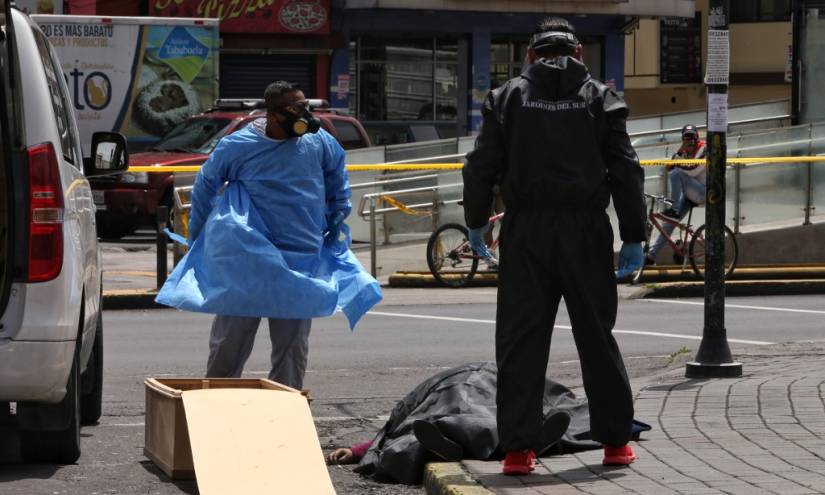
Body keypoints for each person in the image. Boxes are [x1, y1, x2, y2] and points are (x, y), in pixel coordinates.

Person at [462, 17, 646, 475]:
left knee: (521, 340)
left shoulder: (507, 98)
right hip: (586, 230)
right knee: (596, 336)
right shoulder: (601, 98)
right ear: (579, 53)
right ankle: (615, 443)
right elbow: (625, 169)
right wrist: (635, 235)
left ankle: (519, 451)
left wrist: (476, 221)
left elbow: (481, 163)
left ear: (529, 55)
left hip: (526, 231)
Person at [156, 81, 382, 390]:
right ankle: (217, 409)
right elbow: (206, 185)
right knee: (230, 343)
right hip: (246, 258)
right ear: (273, 114)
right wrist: (201, 237)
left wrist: (336, 215)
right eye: (296, 109)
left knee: (292, 350)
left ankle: (284, 413)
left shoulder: (319, 142)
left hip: (299, 259)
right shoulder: (238, 146)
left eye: (306, 107)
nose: (305, 114)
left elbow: (337, 176)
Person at [644, 124, 707, 265]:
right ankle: (651, 256)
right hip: (690, 193)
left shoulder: (704, 148)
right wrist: (680, 150)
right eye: (687, 137)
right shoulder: (683, 151)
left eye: (692, 137)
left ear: (697, 137)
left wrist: (678, 164)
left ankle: (675, 208)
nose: (690, 141)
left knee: (677, 173)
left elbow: (693, 169)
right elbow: (668, 167)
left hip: (702, 191)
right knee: (669, 224)